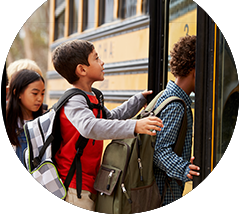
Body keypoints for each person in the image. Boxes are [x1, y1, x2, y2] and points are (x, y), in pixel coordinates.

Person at [51, 39, 164, 214]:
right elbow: (90, 127)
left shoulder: (92, 96)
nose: (102, 62)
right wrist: (134, 126)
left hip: (91, 181)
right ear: (82, 70)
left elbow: (110, 118)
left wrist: (138, 100)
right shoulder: (74, 101)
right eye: (96, 58)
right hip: (74, 185)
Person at [153, 35, 200, 214]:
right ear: (196, 71)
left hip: (165, 194)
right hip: (166, 198)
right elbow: (160, 150)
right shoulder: (176, 105)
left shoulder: (166, 96)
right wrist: (185, 169)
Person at [6, 69, 45, 214]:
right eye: (35, 93)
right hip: (13, 183)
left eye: (42, 93)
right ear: (17, 93)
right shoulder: (7, 116)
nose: (40, 99)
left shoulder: (44, 119)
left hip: (38, 182)